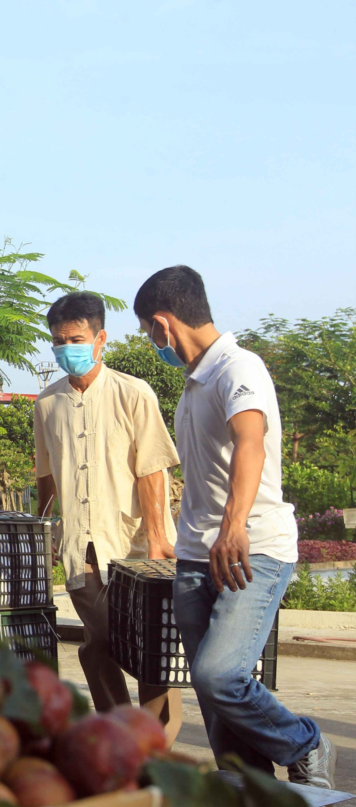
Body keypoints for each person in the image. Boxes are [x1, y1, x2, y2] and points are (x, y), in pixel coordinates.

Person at [134, 265, 334, 788]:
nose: (153, 343)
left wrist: (233, 527)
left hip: (252, 549)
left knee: (219, 676)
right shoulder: (195, 383)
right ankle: (251, 790)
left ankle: (306, 742)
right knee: (218, 710)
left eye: (147, 333)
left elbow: (251, 440)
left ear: (162, 324)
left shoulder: (238, 368)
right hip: (197, 556)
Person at [34, 291, 182, 742]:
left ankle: (155, 741)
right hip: (82, 549)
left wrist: (158, 537)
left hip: (137, 547)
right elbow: (46, 476)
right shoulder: (46, 404)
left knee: (152, 647)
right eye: (58, 341)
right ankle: (121, 736)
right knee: (99, 642)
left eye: (75, 338)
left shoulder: (132, 393)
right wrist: (42, 535)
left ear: (100, 339)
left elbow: (152, 466)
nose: (66, 349)